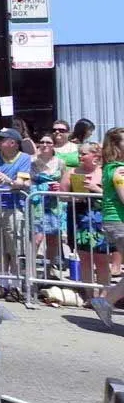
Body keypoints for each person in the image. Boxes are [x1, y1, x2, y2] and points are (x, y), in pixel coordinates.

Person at [0, 128, 33, 276]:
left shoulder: (24, 158)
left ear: (14, 143)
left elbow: (21, 183)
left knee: (15, 247)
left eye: (2, 139)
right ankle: (3, 281)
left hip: (14, 208)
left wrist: (8, 181)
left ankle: (16, 281)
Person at [89, 128, 124, 328]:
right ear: (116, 145)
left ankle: (105, 302)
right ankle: (105, 302)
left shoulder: (113, 168)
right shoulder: (118, 170)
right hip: (120, 222)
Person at [30, 133, 71, 273]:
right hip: (38, 202)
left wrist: (59, 187)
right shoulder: (32, 161)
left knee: (53, 238)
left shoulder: (60, 162)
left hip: (55, 203)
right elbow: (28, 182)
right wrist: (42, 187)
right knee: (37, 238)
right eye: (42, 142)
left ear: (53, 145)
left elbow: (64, 180)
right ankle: (31, 270)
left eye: (48, 142)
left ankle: (49, 271)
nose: (45, 145)